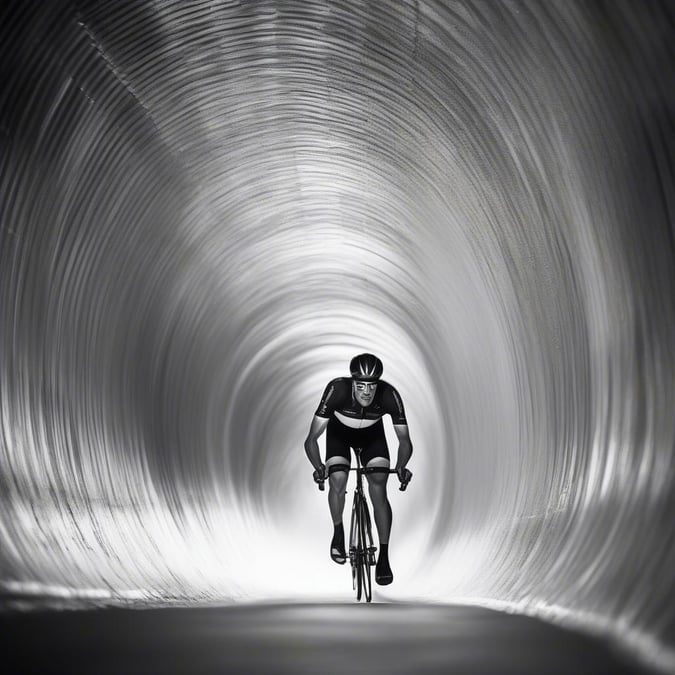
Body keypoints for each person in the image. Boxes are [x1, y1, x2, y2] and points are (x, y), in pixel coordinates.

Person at [304, 353, 413, 585]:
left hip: (373, 437)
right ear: (352, 383)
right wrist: (319, 467)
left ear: (378, 385)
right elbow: (311, 439)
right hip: (338, 435)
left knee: (379, 487)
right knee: (339, 478)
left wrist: (401, 466)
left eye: (371, 386)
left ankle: (383, 556)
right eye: (361, 385)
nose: (366, 392)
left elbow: (404, 440)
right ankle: (338, 533)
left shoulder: (389, 395)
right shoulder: (337, 390)